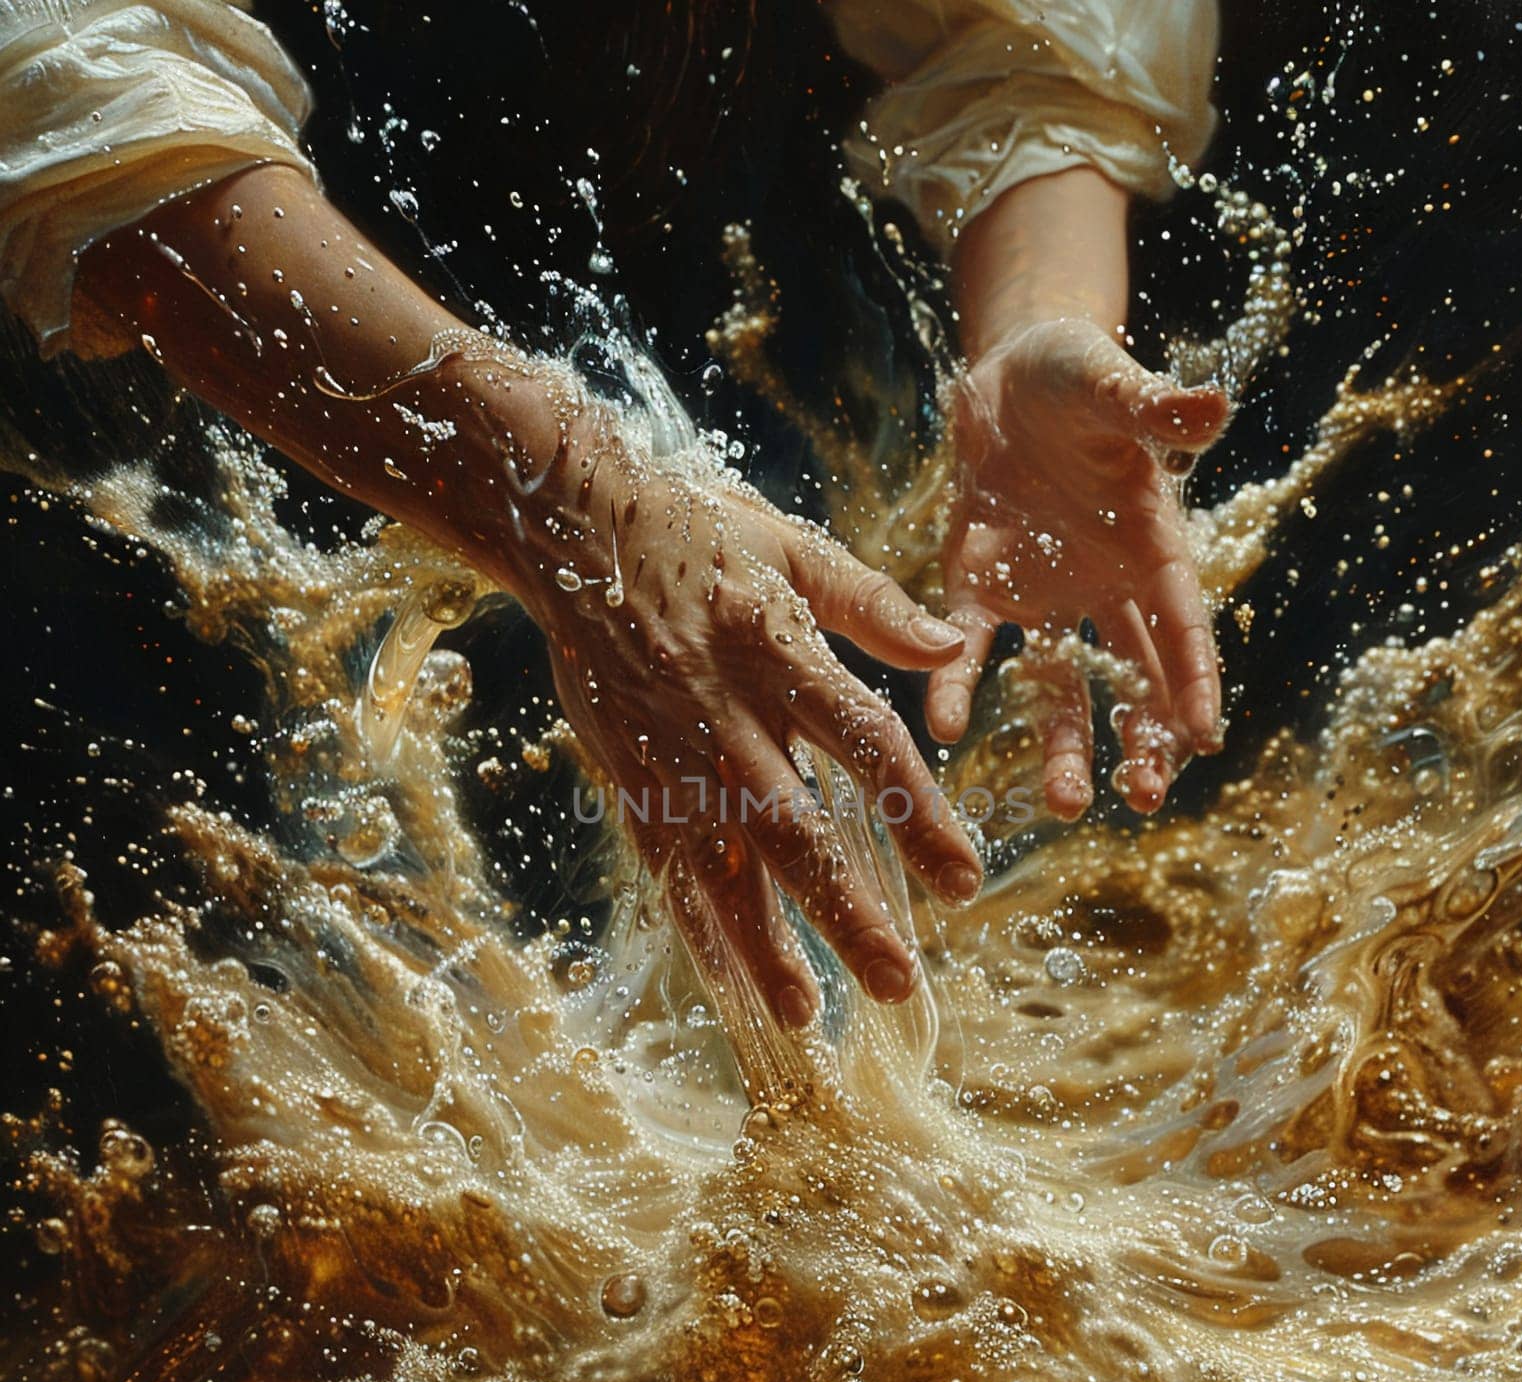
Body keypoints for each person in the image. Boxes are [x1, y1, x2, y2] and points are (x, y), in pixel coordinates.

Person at [0, 0, 1226, 1027]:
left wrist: (1026, 325)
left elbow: (1010, 39)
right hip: (146, 465)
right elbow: (75, 90)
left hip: (660, 312)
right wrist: (559, 498)